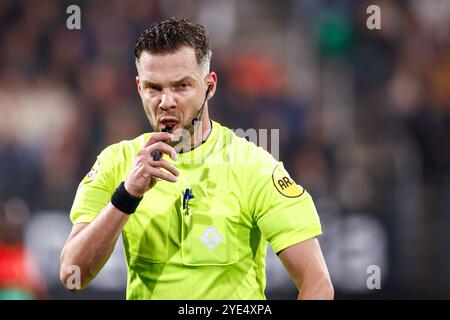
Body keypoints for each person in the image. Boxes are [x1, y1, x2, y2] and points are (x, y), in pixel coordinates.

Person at [60, 17, 333, 300]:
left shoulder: (254, 167)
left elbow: (318, 283)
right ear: (140, 88)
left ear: (209, 86)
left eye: (181, 86)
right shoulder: (116, 163)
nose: (166, 101)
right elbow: (72, 275)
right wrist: (127, 194)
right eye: (155, 88)